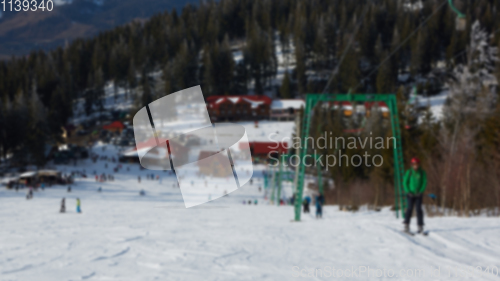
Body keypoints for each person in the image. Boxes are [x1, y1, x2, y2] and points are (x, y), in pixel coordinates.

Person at [403, 157, 427, 234]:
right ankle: (406, 225)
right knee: (409, 209)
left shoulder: (422, 173)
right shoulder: (409, 172)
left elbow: (424, 182)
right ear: (412, 165)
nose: (415, 166)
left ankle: (420, 226)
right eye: (414, 165)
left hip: (418, 195)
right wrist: (408, 191)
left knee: (419, 210)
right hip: (410, 194)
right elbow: (405, 183)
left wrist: (421, 191)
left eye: (417, 164)